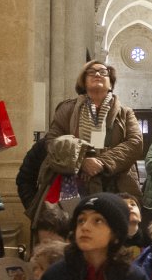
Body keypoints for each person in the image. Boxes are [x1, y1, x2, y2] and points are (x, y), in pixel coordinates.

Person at [45, 61, 143, 198]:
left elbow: (135, 143)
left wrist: (102, 162)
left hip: (116, 184)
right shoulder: (67, 109)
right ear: (83, 81)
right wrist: (81, 161)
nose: (97, 74)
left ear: (111, 83)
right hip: (74, 183)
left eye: (103, 72)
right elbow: (52, 141)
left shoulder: (125, 113)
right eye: (91, 72)